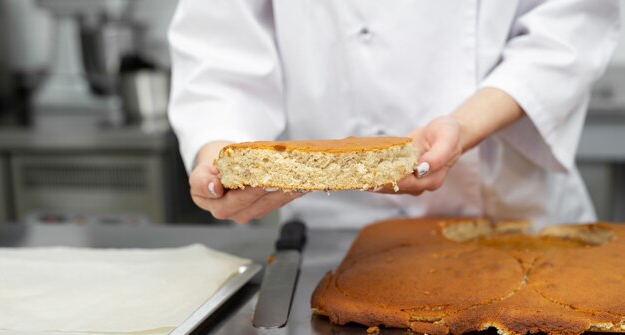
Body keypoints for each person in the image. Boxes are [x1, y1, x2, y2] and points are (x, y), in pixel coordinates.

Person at [168, 1, 621, 229]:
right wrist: (220, 153)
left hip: (511, 213)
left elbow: (568, 26)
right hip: (331, 229)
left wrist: (464, 126)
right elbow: (220, 48)